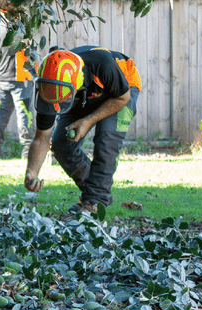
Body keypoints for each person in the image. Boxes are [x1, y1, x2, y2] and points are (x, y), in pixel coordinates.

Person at [24, 46, 142, 214]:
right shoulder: (50, 87)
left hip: (122, 90)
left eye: (60, 94)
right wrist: (31, 172)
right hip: (80, 94)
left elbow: (122, 97)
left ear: (78, 80)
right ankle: (93, 194)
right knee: (61, 144)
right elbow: (41, 137)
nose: (54, 99)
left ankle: (94, 203)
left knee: (106, 138)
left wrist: (87, 121)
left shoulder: (102, 63)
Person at [0, 17, 35, 160]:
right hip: (19, 78)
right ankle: (27, 154)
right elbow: (27, 55)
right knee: (24, 115)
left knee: (1, 114)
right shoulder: (19, 28)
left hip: (1, 77)